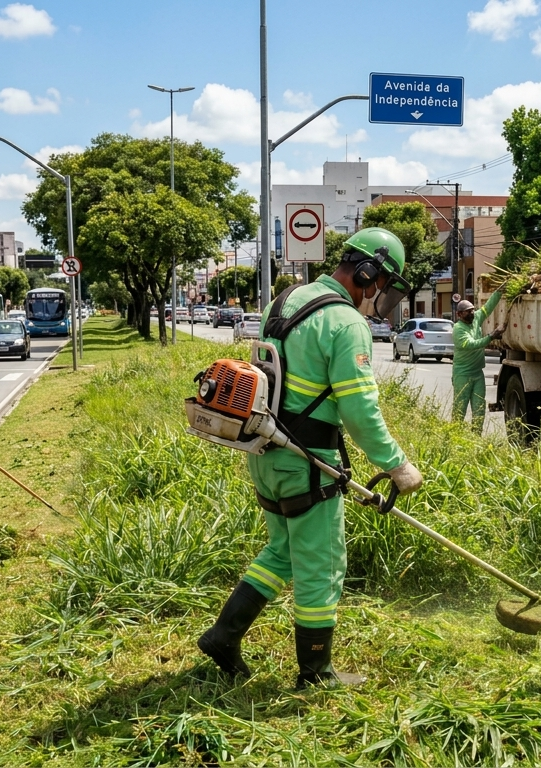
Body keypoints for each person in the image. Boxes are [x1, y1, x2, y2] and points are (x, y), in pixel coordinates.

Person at [198, 227, 424, 690]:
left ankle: (223, 635)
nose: (379, 297)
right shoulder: (345, 322)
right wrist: (398, 466)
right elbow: (360, 410)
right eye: (382, 285)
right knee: (322, 564)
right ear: (367, 272)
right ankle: (315, 673)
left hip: (264, 451)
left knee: (282, 551)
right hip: (306, 460)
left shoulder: (285, 300)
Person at [452, 294, 504, 433]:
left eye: (473, 310)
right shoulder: (458, 329)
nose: (472, 313)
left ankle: (476, 437)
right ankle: (453, 436)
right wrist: (491, 337)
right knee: (459, 408)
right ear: (459, 314)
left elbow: (488, 307)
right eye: (468, 311)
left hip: (477, 373)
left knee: (479, 407)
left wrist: (499, 291)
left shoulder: (476, 318)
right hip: (462, 375)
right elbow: (471, 344)